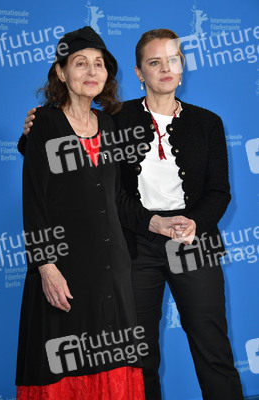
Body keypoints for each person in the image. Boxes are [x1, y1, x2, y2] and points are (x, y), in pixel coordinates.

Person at [19, 28, 244, 400]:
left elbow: (220, 191)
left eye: (173, 60)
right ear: (139, 72)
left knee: (213, 346)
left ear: (183, 67)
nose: (165, 68)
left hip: (196, 242)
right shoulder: (116, 119)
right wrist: (30, 133)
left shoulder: (208, 123)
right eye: (154, 62)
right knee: (140, 355)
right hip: (135, 244)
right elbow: (75, 166)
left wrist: (196, 223)